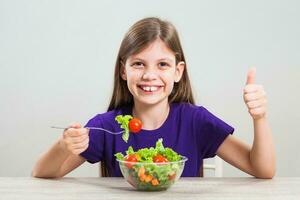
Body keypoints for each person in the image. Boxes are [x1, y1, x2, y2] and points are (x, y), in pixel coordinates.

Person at [32, 17, 275, 178]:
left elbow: (262, 169)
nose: (150, 75)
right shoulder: (107, 126)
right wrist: (63, 146)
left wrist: (260, 117)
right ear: (123, 71)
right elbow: (41, 174)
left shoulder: (195, 121)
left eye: (162, 64)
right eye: (138, 63)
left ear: (178, 71)